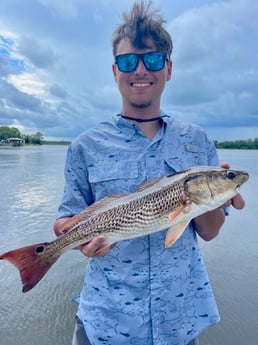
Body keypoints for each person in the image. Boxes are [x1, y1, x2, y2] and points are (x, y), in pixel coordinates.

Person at [54, 2, 245, 344]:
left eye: (153, 60)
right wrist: (78, 242)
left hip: (178, 319)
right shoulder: (84, 146)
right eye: (129, 62)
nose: (140, 70)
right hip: (106, 320)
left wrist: (218, 196)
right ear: (115, 71)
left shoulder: (197, 141)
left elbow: (210, 233)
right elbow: (66, 221)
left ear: (168, 69)